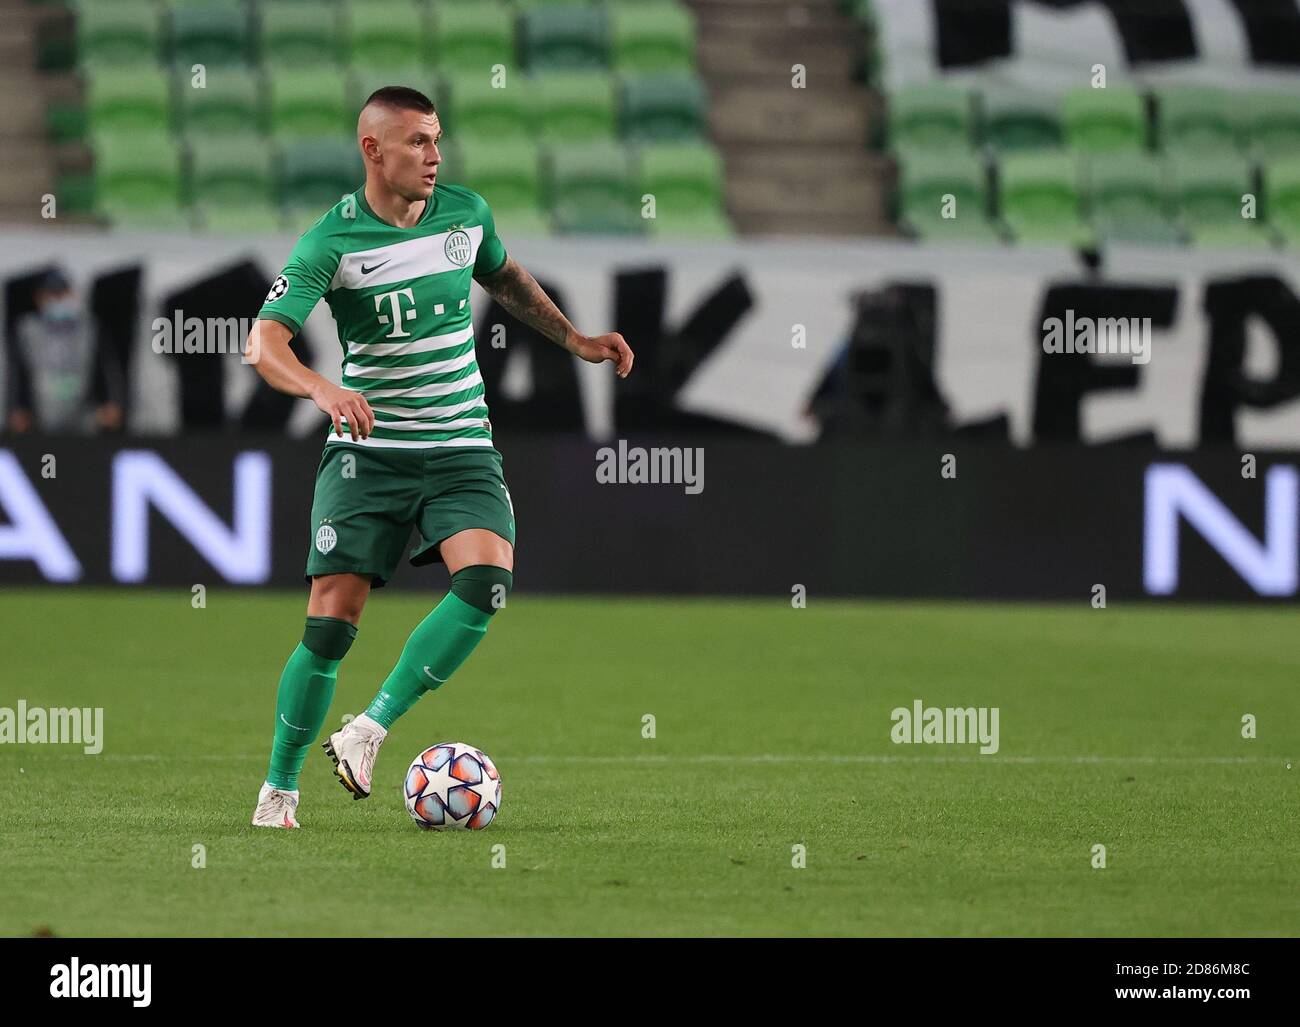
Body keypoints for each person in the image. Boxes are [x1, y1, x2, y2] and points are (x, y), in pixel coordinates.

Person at [246, 86, 634, 828]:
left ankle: (368, 728)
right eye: (418, 142)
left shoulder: (466, 213)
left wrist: (577, 340)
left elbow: (507, 279)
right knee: (331, 625)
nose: (435, 155)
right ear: (372, 150)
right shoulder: (333, 240)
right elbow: (263, 344)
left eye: (437, 140)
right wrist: (322, 389)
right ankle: (279, 789)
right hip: (370, 452)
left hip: (459, 442)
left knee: (487, 581)